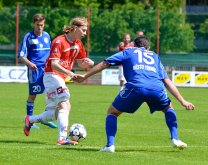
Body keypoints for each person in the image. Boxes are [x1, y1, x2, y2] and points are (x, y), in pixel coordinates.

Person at [73, 35, 195, 152]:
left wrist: (85, 76)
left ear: (134, 45)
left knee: (112, 112)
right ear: (148, 47)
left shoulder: (129, 51)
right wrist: (182, 101)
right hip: (156, 87)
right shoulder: (155, 56)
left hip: (136, 86)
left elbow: (105, 63)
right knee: (168, 108)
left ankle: (110, 146)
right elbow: (166, 80)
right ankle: (175, 138)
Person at [23, 17, 94, 145]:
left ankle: (30, 119)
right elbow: (54, 64)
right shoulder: (59, 41)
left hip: (60, 77)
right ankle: (62, 138)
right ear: (76, 28)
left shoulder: (78, 44)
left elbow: (82, 63)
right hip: (51, 75)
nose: (84, 33)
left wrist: (89, 63)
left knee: (55, 114)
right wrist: (70, 73)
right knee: (65, 104)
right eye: (83, 30)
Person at [18, 13, 57, 129]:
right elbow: (21, 55)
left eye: (42, 25)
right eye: (38, 25)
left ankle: (45, 118)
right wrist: (30, 64)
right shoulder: (28, 37)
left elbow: (51, 53)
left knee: (51, 93)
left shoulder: (46, 36)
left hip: (47, 69)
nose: (40, 27)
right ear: (33, 24)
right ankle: (30, 120)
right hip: (34, 71)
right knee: (32, 95)